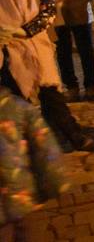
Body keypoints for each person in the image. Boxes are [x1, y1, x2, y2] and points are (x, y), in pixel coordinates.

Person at [0, 0, 94, 151]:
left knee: (50, 94)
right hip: (8, 52)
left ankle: (73, 135)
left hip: (36, 46)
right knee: (16, 98)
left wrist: (22, 30)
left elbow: (49, 9)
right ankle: (25, 144)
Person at [0, 87, 67, 242]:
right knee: (28, 232)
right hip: (22, 195)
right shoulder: (19, 107)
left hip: (19, 195)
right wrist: (56, 182)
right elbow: (46, 148)